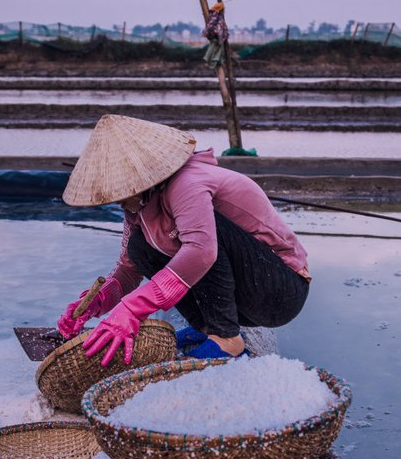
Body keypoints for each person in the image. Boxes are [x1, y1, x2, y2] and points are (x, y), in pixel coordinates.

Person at [57, 114, 310, 367]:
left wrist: (133, 309)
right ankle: (207, 328)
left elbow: (201, 251)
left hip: (278, 291)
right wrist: (96, 303)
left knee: (201, 241)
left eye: (121, 192)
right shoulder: (139, 209)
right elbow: (128, 269)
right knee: (139, 247)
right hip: (242, 299)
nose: (118, 201)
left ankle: (227, 340)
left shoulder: (187, 183)